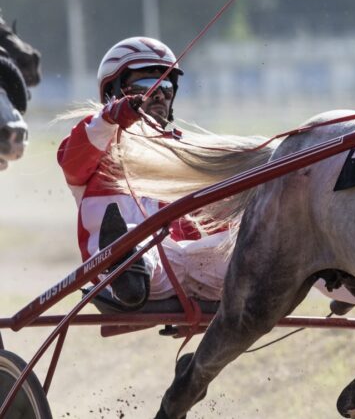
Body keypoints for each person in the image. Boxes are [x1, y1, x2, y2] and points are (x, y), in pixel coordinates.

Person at [56, 37, 229, 310]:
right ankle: (127, 263)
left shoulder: (186, 150)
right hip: (125, 269)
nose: (159, 94)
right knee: (136, 241)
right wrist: (110, 118)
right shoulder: (97, 144)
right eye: (146, 87)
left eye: (167, 87)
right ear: (114, 93)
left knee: (257, 237)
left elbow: (212, 226)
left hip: (190, 267)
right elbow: (72, 162)